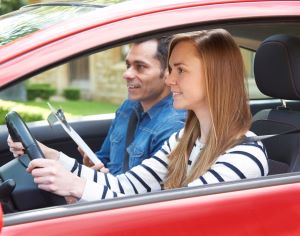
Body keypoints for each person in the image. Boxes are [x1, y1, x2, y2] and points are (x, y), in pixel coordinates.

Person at [8, 29, 268, 202]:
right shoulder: (184, 140)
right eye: (169, 69)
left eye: (180, 70)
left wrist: (77, 187)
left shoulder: (244, 157)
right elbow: (125, 188)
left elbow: (175, 216)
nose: (169, 79)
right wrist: (55, 158)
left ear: (215, 78)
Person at [80, 37, 186, 175]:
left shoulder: (174, 125)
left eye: (140, 67)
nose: (127, 74)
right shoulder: (127, 107)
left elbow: (150, 192)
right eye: (128, 66)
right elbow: (104, 159)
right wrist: (93, 165)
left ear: (168, 72)